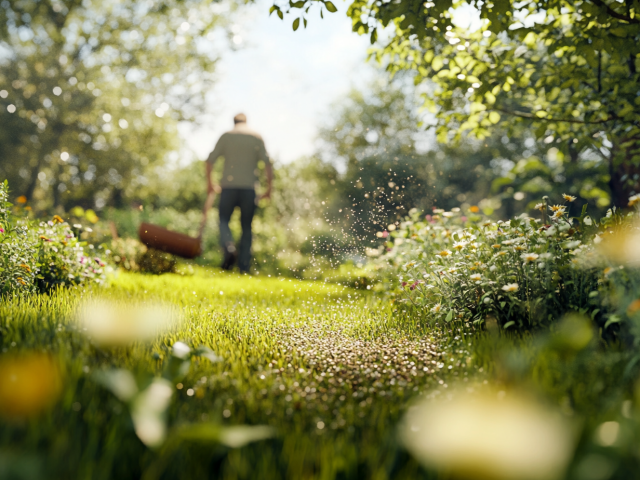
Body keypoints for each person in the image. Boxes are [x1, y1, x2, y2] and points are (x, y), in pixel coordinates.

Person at [206, 113, 273, 273]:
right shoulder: (256, 137)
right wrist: (269, 189)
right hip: (249, 189)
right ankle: (243, 267)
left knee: (223, 220)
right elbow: (268, 164)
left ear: (234, 122)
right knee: (247, 227)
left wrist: (210, 183)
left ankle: (228, 248)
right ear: (246, 121)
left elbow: (210, 160)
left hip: (228, 187)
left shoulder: (227, 136)